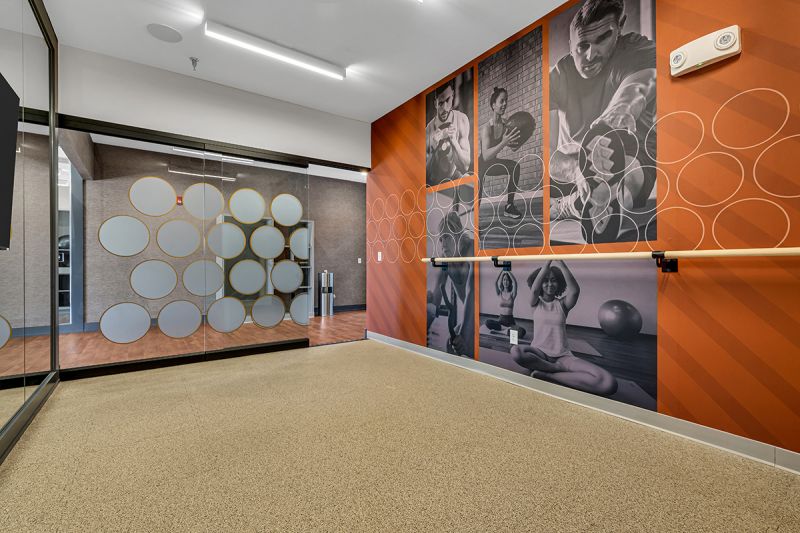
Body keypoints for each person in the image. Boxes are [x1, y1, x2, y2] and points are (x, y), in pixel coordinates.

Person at [549, 0, 656, 224]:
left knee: (627, 172)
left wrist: (621, 109)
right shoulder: (558, 74)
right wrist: (578, 170)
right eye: (582, 46)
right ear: (570, 44)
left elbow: (640, 84)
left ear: (620, 28)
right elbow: (548, 155)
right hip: (573, 164)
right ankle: (581, 199)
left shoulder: (636, 50)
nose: (590, 55)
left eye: (603, 39)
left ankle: (583, 202)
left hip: (630, 156)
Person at [510, 260, 617, 396]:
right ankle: (554, 368)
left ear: (559, 283)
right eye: (545, 280)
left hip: (562, 356)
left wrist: (560, 262)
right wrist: (548, 262)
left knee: (608, 383)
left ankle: (548, 375)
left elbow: (575, 291)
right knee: (516, 351)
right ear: (540, 282)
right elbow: (535, 290)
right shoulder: (535, 303)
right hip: (539, 353)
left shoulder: (562, 304)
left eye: (553, 280)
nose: (550, 284)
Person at [426, 211, 474, 358]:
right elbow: (435, 298)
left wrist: (464, 335)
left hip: (477, 314)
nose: (443, 244)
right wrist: (422, 329)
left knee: (464, 347)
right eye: (441, 239)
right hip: (468, 316)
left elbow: (472, 291)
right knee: (450, 345)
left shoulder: (471, 248)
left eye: (446, 237)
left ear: (458, 234)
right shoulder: (445, 260)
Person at [479, 87, 523, 220]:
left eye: (506, 100)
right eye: (501, 101)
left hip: (493, 163)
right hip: (481, 164)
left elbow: (513, 147)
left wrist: (515, 140)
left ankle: (509, 206)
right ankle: (473, 216)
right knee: (478, 187)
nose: (505, 104)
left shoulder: (505, 124)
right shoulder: (487, 128)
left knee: (515, 167)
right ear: (493, 105)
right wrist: (504, 142)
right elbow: (486, 156)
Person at [426, 79, 472, 185]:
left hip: (453, 175)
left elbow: (465, 166)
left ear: (453, 96)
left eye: (448, 100)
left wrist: (454, 142)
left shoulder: (461, 120)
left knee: (469, 179)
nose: (445, 108)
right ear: (435, 103)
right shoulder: (428, 130)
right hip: (434, 182)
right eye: (441, 103)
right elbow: (424, 175)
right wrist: (433, 148)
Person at [485, 271, 527, 339]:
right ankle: (506, 330)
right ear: (502, 281)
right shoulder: (500, 293)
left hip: (510, 321)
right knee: (487, 322)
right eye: (504, 280)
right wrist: (502, 271)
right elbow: (495, 282)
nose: (505, 282)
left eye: (507, 280)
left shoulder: (512, 294)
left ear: (510, 282)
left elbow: (515, 282)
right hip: (501, 320)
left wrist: (508, 271)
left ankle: (501, 331)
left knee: (522, 332)